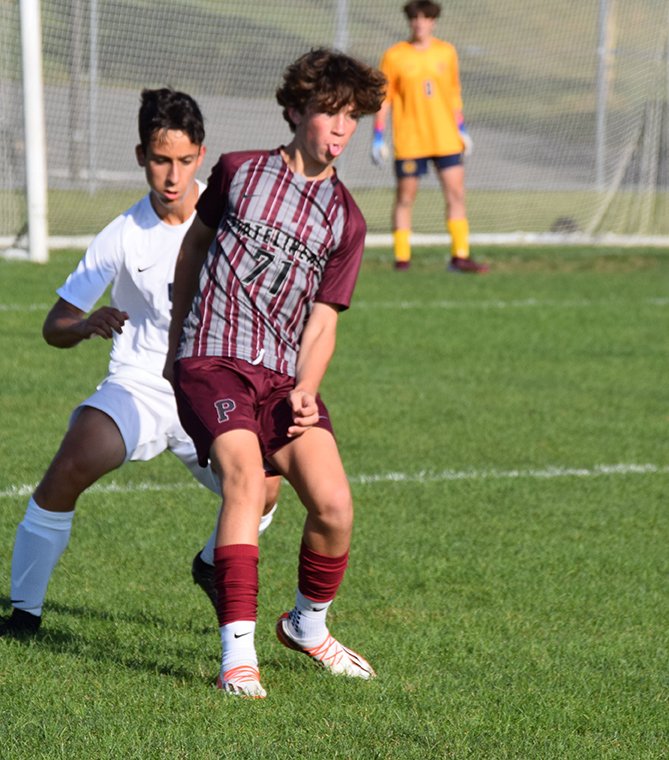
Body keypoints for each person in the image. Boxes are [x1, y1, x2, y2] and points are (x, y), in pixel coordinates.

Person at [0, 89, 280, 639]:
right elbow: (55, 324)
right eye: (160, 160)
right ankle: (24, 617)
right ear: (140, 156)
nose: (172, 176)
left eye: (184, 160)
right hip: (141, 383)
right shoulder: (123, 233)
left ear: (201, 156)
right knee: (69, 466)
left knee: (265, 487)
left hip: (212, 383)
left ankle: (209, 563)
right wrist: (84, 324)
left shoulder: (231, 220)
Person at [164, 48, 387, 698]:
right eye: (329, 112)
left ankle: (306, 626)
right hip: (213, 358)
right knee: (245, 480)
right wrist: (179, 335)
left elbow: (323, 320)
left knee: (334, 507)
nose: (341, 129)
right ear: (295, 110)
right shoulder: (239, 171)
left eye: (352, 117)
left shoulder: (346, 218)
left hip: (281, 380)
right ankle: (238, 658)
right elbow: (195, 245)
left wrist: (307, 389)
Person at [372, 0, 489, 273]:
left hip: (445, 138)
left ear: (433, 21)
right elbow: (384, 98)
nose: (420, 23)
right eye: (415, 18)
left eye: (425, 18)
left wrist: (461, 129)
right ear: (409, 21)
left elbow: (453, 93)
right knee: (405, 198)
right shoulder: (395, 55)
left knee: (456, 193)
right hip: (411, 140)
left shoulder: (446, 52)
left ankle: (460, 257)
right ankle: (402, 260)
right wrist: (378, 136)